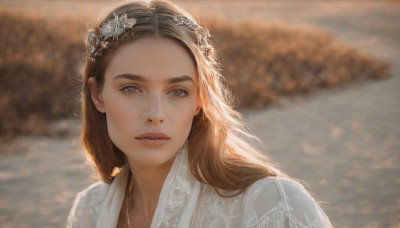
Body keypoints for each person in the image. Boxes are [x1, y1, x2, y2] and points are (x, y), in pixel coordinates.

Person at [67, 0, 333, 227]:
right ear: (97, 95)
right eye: (131, 88)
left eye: (178, 91)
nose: (155, 114)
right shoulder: (89, 210)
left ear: (200, 100)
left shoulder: (272, 206)